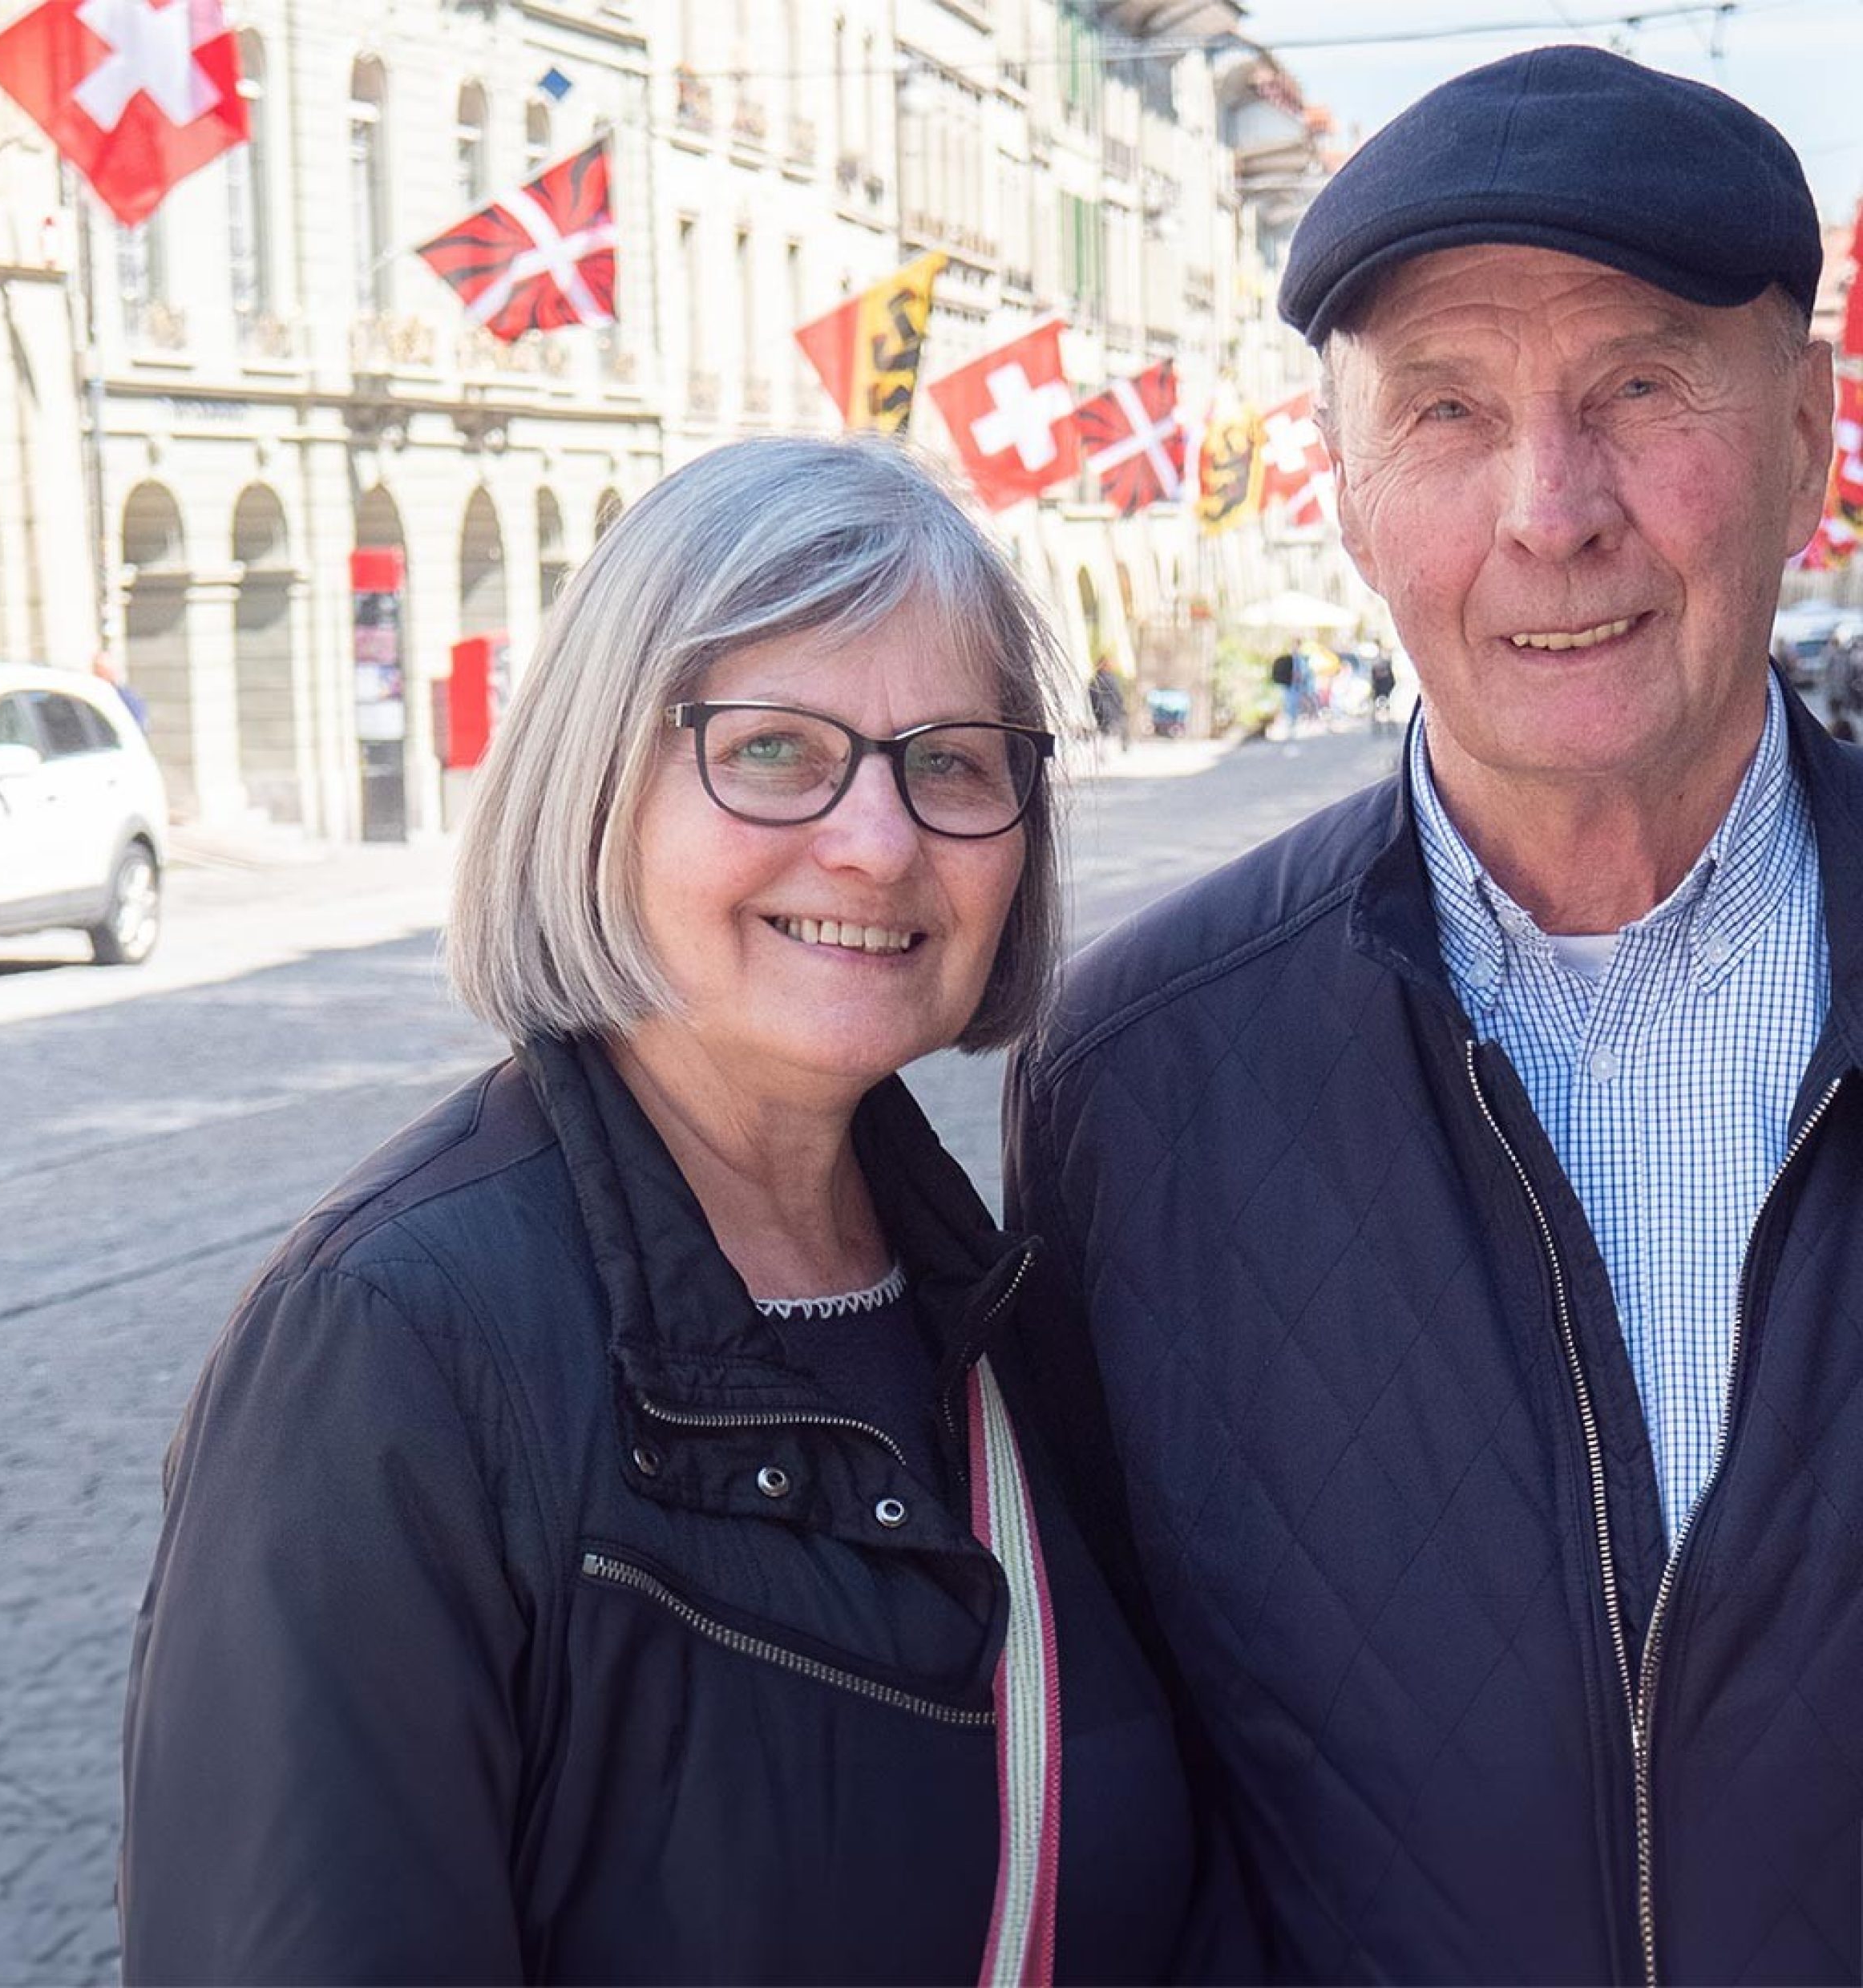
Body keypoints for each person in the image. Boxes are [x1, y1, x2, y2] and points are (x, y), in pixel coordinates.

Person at [117, 436, 1201, 1984]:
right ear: (596, 786)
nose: (878, 841)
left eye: (952, 759)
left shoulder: (1012, 1303)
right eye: (771, 749)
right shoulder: (392, 1354)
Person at [1006, 46, 1862, 1985]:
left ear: (1807, 438)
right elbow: (1096, 1797)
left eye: (1639, 388)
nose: (1549, 510)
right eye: (1448, 413)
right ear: (1345, 489)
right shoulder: (1142, 1081)